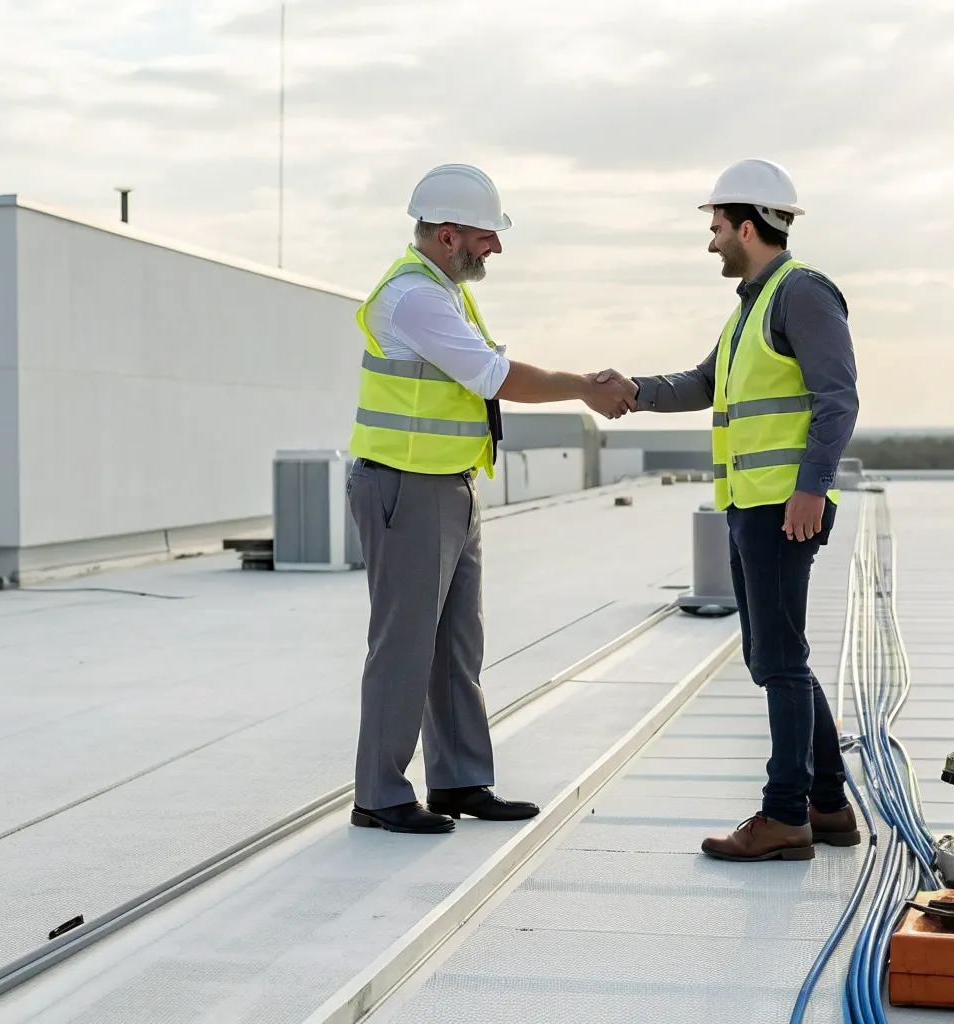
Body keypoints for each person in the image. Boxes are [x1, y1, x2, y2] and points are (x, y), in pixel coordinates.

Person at [347, 163, 637, 835]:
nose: (496, 248)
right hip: (405, 487)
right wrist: (584, 388)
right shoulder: (415, 298)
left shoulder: (445, 291)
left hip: (448, 484)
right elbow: (492, 374)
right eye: (486, 236)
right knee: (404, 646)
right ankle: (380, 794)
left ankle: (459, 780)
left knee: (456, 643)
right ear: (448, 235)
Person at [604, 158, 859, 861]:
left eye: (716, 226)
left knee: (778, 661)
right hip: (753, 506)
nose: (711, 240)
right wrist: (635, 389)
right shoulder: (754, 304)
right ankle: (828, 805)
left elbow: (839, 400)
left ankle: (785, 818)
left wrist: (811, 487)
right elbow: (702, 382)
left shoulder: (800, 294)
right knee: (777, 657)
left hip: (784, 506)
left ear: (748, 225)